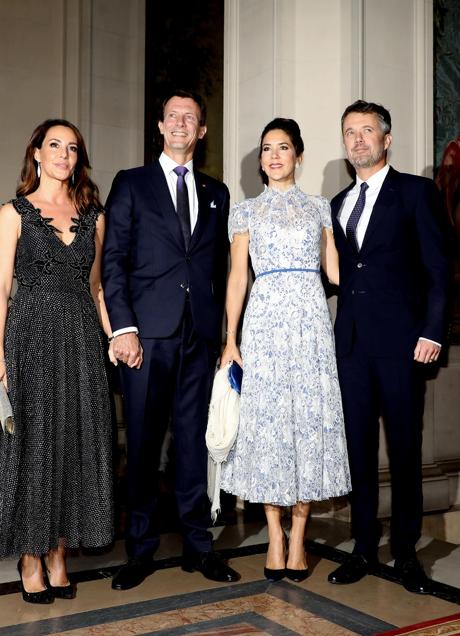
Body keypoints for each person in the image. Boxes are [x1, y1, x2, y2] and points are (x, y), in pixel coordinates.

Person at [103, 89, 239, 591]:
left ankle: (198, 547)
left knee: (193, 446)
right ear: (159, 126)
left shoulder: (217, 192)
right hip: (145, 339)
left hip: (199, 338)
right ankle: (139, 550)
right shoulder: (132, 184)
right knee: (141, 443)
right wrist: (124, 329)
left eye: (191, 118)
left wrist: (227, 335)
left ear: (202, 131)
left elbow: (222, 269)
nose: (181, 123)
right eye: (173, 116)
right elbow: (112, 260)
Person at [220, 118, 351, 582]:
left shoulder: (319, 207)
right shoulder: (246, 211)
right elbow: (239, 278)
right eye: (266, 149)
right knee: (269, 429)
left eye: (282, 147)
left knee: (307, 427)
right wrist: (231, 339)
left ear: (298, 154)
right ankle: (275, 535)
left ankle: (299, 539)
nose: (273, 156)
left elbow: (335, 273)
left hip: (311, 326)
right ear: (261, 160)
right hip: (265, 326)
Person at [327, 100, 449, 594]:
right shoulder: (336, 204)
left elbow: (439, 270)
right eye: (350, 133)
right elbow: (337, 276)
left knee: (404, 450)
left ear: (387, 138)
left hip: (403, 345)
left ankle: (405, 553)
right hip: (351, 346)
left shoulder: (417, 194)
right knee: (357, 450)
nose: (358, 140)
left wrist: (432, 331)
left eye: (367, 131)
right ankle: (361, 547)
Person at [0, 119, 114, 604]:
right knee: (35, 444)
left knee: (74, 441)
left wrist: (119, 335)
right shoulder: (13, 213)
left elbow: (97, 289)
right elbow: (2, 288)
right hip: (29, 336)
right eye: (55, 146)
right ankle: (31, 554)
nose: (64, 154)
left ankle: (59, 554)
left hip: (82, 337)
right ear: (37, 153)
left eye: (72, 148)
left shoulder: (94, 214)